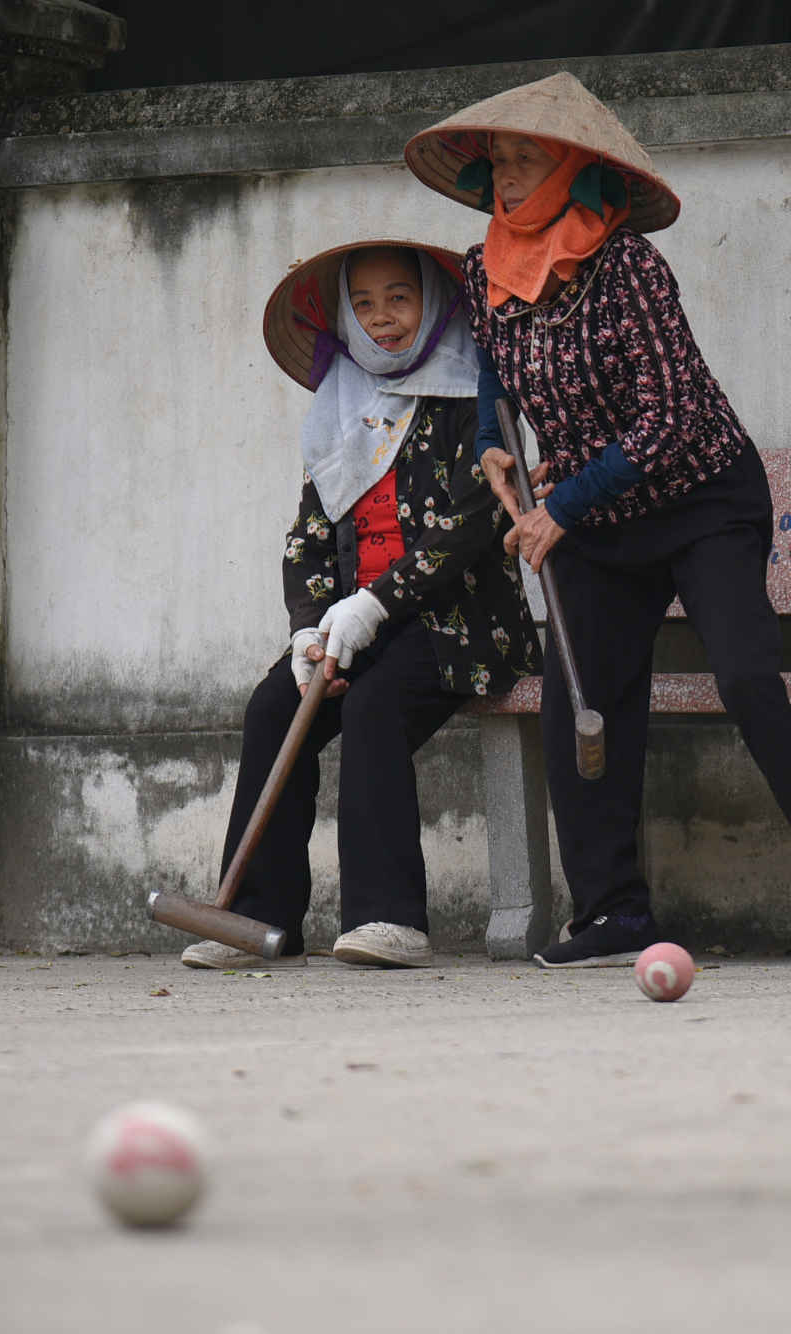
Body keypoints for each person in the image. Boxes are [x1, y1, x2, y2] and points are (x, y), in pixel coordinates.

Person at [403, 72, 791, 967]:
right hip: (599, 519)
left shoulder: (628, 265)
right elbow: (493, 371)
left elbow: (670, 418)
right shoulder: (484, 266)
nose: (509, 176)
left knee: (746, 677)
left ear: (571, 169)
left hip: (702, 502)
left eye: (529, 158)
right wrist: (490, 440)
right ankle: (613, 910)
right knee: (580, 696)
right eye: (500, 160)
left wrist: (560, 504)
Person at [180, 241, 541, 970]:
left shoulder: (476, 399)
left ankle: (389, 919)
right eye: (365, 304)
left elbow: (474, 526)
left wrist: (375, 604)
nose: (383, 319)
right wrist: (310, 627)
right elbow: (309, 537)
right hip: (353, 623)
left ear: (433, 304)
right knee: (272, 707)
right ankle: (256, 918)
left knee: (375, 704)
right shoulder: (339, 407)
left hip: (463, 624)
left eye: (399, 299)